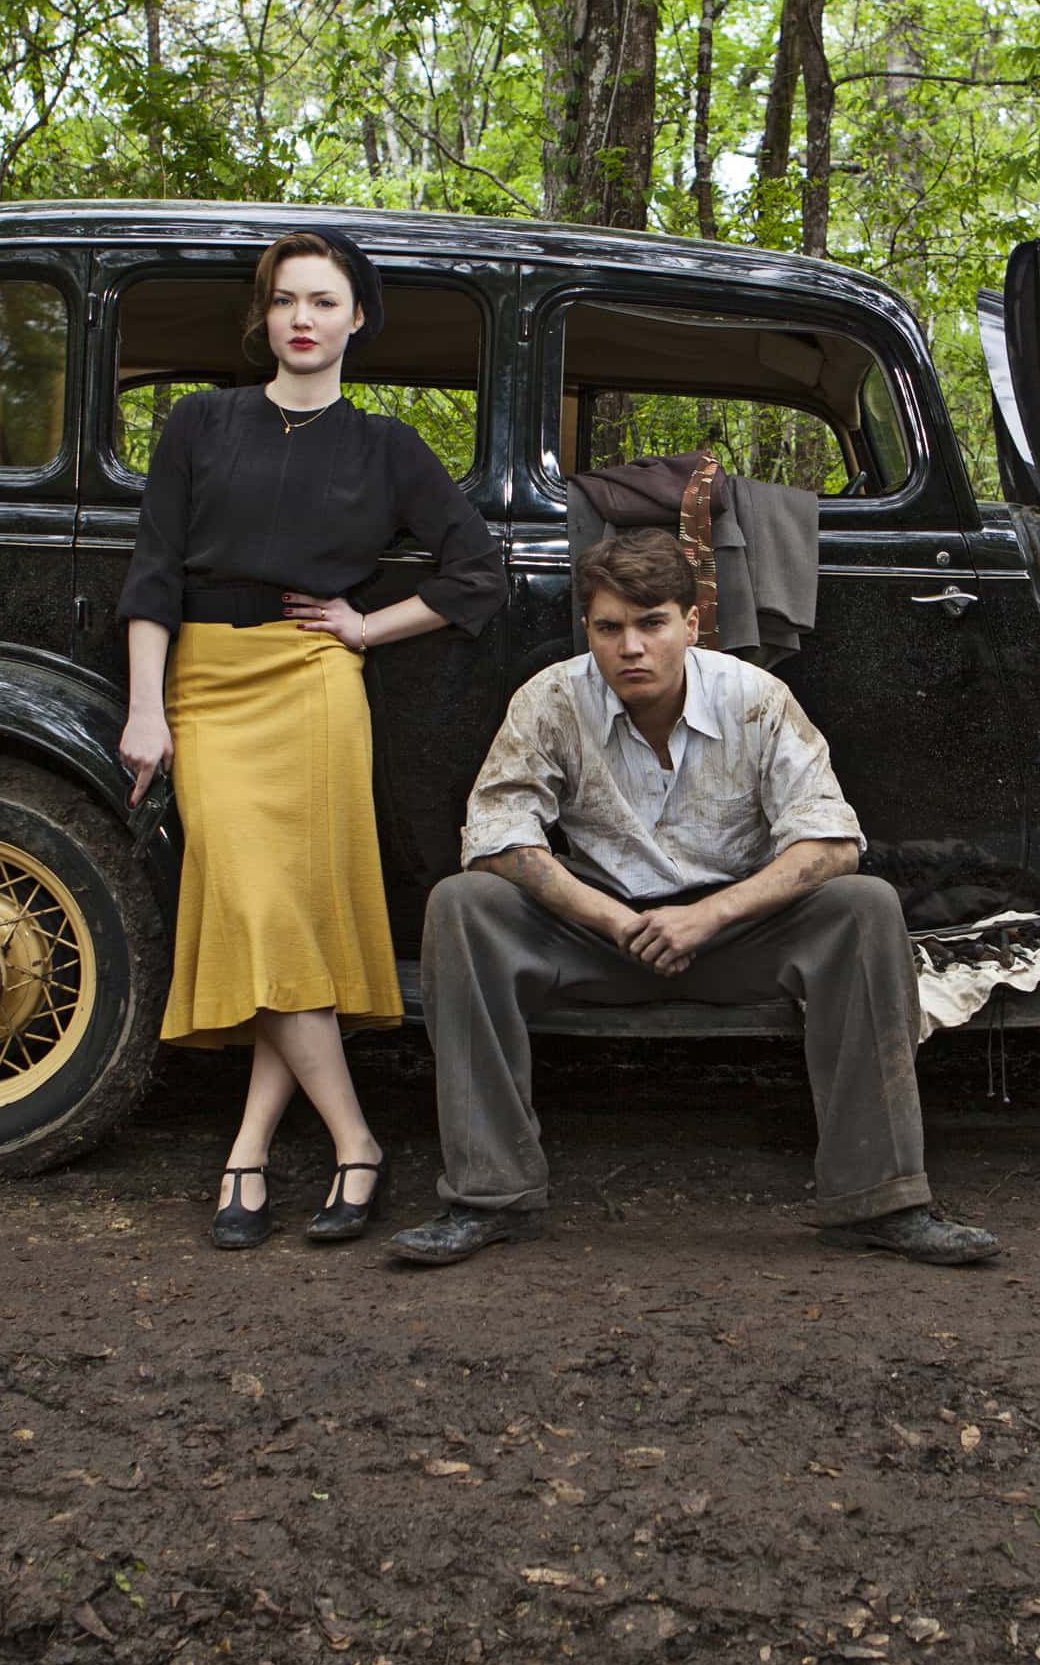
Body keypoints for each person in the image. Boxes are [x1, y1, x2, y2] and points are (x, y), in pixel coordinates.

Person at [393, 527, 1000, 1267]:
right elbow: (497, 835)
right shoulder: (552, 698)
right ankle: (490, 1197)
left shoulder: (755, 698)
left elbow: (832, 841)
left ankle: (882, 1201)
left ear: (691, 622)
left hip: (734, 930)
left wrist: (710, 915)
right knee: (462, 904)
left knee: (865, 904)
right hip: (600, 932)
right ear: (588, 629)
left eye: (652, 624)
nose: (631, 648)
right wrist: (613, 919)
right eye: (609, 628)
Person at [114, 227, 501, 1250]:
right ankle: (355, 1139)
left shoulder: (386, 445)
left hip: (314, 684)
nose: (302, 318)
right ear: (265, 313)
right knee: (257, 909)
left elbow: (477, 572)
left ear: (356, 318)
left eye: (324, 301)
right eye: (286, 298)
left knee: (282, 923)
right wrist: (147, 707)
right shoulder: (201, 421)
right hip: (206, 682)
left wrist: (368, 627)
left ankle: (247, 1154)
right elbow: (153, 571)